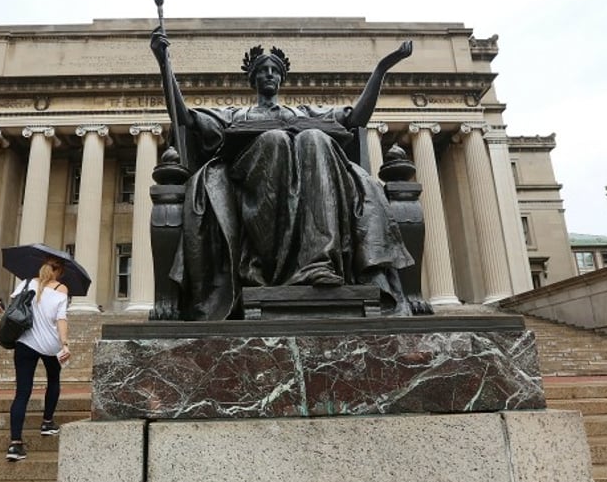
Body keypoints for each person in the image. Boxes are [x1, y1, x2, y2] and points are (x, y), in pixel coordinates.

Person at [150, 29, 416, 320]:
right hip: (251, 183)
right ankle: (264, 267)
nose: (268, 74)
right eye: (262, 70)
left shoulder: (302, 113)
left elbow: (355, 119)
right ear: (252, 79)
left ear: (281, 78)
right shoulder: (235, 115)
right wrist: (164, 63)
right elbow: (185, 117)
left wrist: (381, 69)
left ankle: (318, 263)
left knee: (314, 137)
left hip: (307, 185)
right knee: (274, 140)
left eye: (274, 70)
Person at [5, 257, 70, 461]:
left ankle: (15, 444)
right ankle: (47, 422)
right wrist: (65, 343)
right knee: (53, 380)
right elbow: (61, 320)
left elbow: (12, 304)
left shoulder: (25, 283)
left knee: (22, 393)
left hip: (25, 343)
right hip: (50, 345)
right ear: (58, 272)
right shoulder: (61, 289)